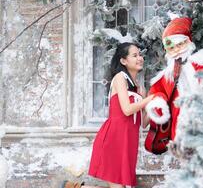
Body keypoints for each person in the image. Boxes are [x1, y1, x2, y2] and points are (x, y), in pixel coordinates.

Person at [62, 42, 154, 188]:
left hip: (128, 142)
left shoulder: (138, 87)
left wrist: (152, 107)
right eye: (135, 55)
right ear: (123, 61)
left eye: (140, 55)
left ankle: (74, 187)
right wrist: (150, 99)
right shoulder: (120, 78)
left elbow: (142, 123)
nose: (140, 58)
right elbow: (127, 109)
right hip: (114, 138)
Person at [145, 17, 203, 141]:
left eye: (180, 45)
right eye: (172, 48)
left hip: (202, 117)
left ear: (188, 43)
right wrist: (159, 103)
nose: (177, 51)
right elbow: (158, 91)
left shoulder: (201, 62)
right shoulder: (169, 73)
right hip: (180, 121)